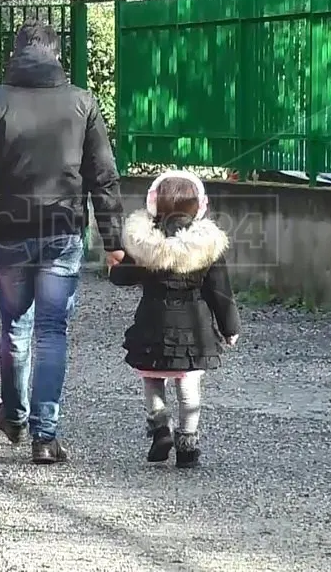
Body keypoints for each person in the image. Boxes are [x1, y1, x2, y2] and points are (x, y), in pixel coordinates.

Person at [0, 20, 126, 465]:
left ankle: (15, 416)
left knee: (15, 329)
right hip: (62, 231)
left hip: (9, 232)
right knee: (52, 332)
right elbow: (102, 177)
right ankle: (46, 436)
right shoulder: (82, 103)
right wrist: (114, 240)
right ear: (57, 54)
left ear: (16, 52)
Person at [108, 171, 240, 468]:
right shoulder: (207, 248)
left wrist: (113, 269)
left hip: (152, 320)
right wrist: (230, 328)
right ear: (201, 206)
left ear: (153, 203)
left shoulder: (145, 244)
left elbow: (123, 275)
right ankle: (187, 443)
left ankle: (159, 429)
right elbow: (221, 292)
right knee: (188, 383)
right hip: (193, 326)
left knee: (152, 378)